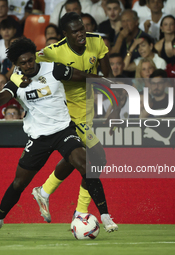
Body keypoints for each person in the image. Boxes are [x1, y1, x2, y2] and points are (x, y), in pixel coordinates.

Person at [0, 37, 117, 238]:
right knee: (19, 183)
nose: (28, 65)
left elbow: (82, 76)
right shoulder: (16, 80)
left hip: (63, 131)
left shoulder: (54, 69)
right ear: (17, 65)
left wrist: (105, 81)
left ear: (35, 57)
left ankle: (105, 216)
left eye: (30, 60)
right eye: (22, 63)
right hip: (38, 137)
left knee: (86, 165)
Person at [33, 12, 116, 229]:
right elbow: (29, 64)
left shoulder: (96, 42)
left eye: (83, 28)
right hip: (69, 113)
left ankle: (44, 191)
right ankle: (83, 211)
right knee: (98, 157)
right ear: (65, 34)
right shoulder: (54, 51)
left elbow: (107, 76)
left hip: (91, 112)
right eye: (76, 31)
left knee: (78, 159)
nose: (82, 34)